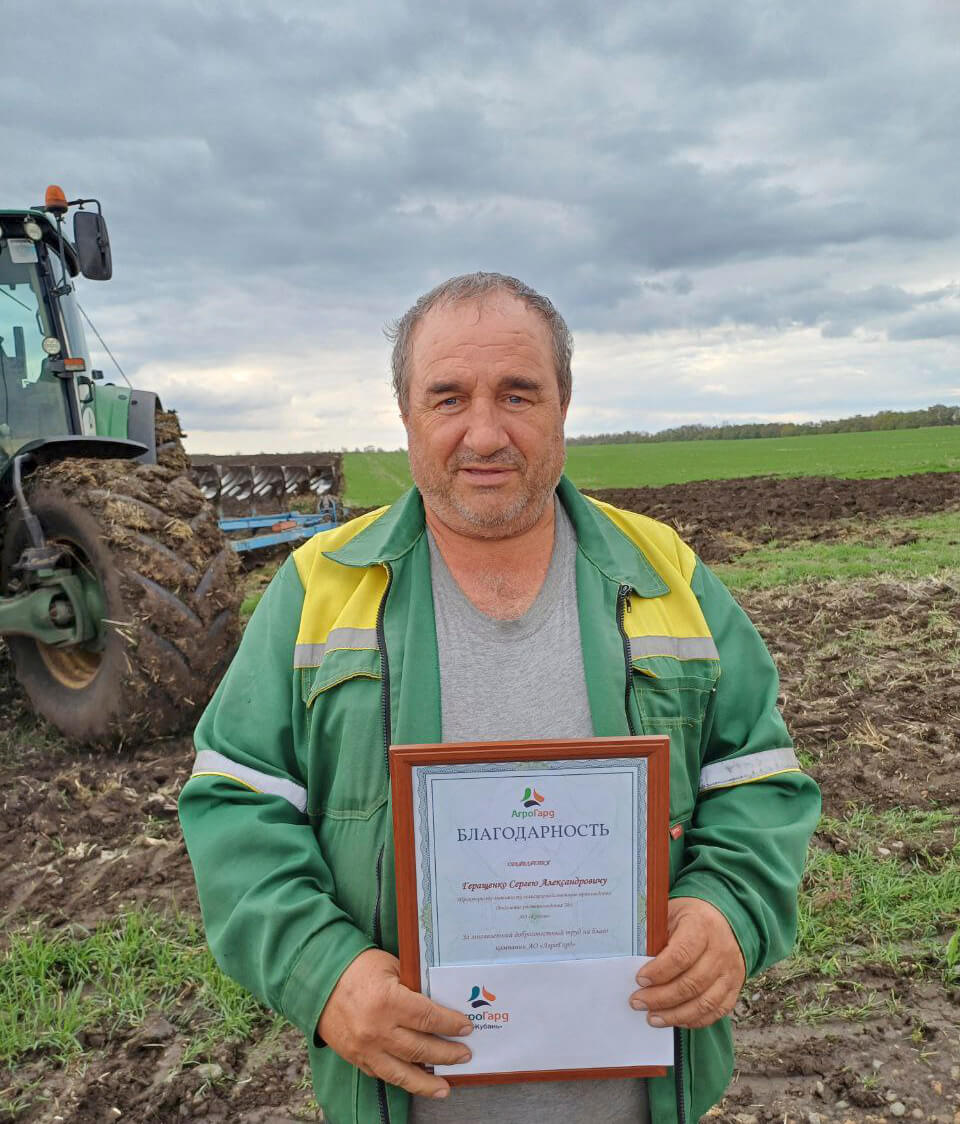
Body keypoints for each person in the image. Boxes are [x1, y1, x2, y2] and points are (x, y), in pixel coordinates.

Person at [179, 273, 820, 1124]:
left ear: (563, 406)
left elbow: (758, 777)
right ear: (406, 415)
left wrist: (726, 909)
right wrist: (325, 975)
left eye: (518, 394)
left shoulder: (665, 570)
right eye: (448, 398)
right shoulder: (318, 586)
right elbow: (236, 805)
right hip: (402, 1100)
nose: (484, 433)